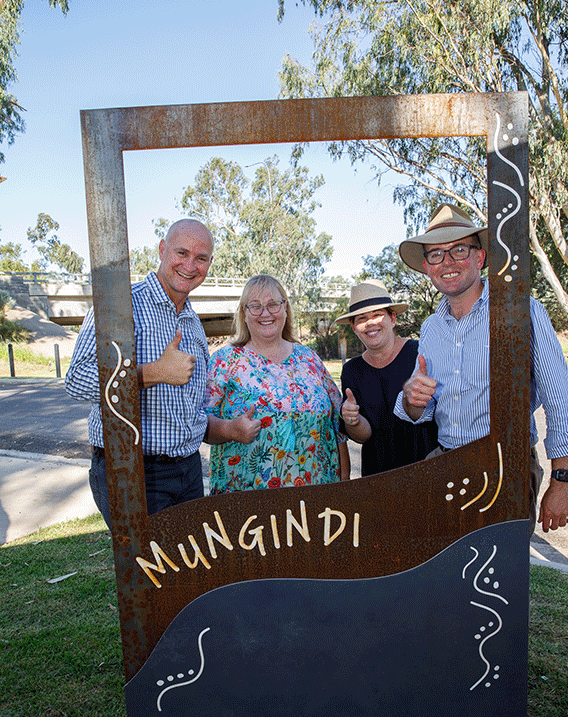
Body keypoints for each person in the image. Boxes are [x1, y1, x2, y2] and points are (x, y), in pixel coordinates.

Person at [394, 203, 568, 534]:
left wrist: (562, 481)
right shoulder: (431, 329)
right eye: (437, 254)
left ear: (479, 258)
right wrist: (412, 397)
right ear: (427, 267)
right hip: (444, 464)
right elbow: (419, 410)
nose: (448, 262)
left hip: (506, 468)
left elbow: (560, 399)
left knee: (498, 579)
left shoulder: (520, 311)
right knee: (443, 577)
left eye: (458, 250)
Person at [65, 219, 216, 525]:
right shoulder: (121, 304)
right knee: (149, 572)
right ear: (162, 250)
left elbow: (191, 407)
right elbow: (77, 380)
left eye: (201, 258)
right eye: (181, 253)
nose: (190, 265)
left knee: (189, 572)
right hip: (132, 470)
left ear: (209, 264)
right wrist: (152, 373)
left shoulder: (192, 321)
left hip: (188, 471)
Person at [204, 274, 350, 493]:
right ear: (244, 313)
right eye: (255, 306)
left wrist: (345, 482)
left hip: (318, 497)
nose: (265, 313)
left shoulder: (309, 359)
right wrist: (230, 429)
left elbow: (337, 427)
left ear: (285, 309)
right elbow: (200, 425)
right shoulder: (224, 362)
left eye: (273, 304)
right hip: (248, 504)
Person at [335, 279, 438, 476]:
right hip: (378, 476)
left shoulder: (421, 354)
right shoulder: (352, 370)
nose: (371, 323)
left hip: (428, 469)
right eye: (362, 318)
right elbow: (364, 436)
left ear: (392, 318)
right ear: (354, 326)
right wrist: (353, 421)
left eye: (377, 315)